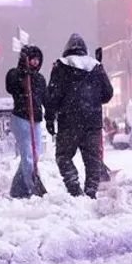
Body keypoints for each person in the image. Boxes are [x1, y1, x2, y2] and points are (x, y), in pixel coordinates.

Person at [45, 33, 114, 198]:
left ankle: (75, 190)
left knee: (63, 156)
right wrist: (93, 100)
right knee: (92, 160)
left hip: (69, 122)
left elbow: (52, 96)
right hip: (92, 123)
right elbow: (108, 93)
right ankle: (90, 192)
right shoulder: (96, 66)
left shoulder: (61, 66)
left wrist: (49, 118)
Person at [5, 44, 47, 198]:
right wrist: (23, 73)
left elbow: (46, 99)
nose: (35, 62)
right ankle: (33, 188)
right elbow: (10, 86)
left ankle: (17, 188)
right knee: (28, 155)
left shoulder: (40, 79)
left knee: (34, 156)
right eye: (32, 59)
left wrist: (51, 115)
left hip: (35, 120)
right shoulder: (15, 74)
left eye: (37, 60)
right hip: (21, 119)